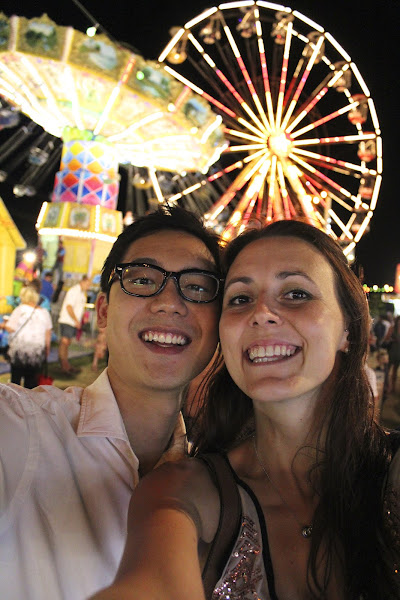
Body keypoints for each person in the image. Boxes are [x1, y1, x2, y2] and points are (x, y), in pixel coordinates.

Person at [92, 220, 400, 600]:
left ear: (348, 330)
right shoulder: (181, 492)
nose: (262, 313)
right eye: (240, 299)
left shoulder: (391, 474)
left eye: (296, 294)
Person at [0, 206, 221, 600]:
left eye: (198, 287)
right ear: (103, 311)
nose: (170, 302)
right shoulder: (21, 430)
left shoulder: (218, 480)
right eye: (142, 280)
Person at [5, 284, 52, 388]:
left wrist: (3, 325)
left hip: (19, 349)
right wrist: (47, 349)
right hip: (37, 350)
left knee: (15, 381)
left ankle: (15, 398)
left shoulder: (20, 309)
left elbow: (10, 327)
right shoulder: (44, 312)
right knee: (31, 381)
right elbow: (48, 332)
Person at [57, 275, 91, 374]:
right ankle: (64, 366)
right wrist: (76, 320)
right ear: (82, 282)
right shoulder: (74, 291)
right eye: (87, 284)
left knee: (67, 343)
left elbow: (80, 308)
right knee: (64, 342)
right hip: (67, 320)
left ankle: (65, 365)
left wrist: (83, 317)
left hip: (72, 322)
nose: (88, 287)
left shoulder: (82, 294)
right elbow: (69, 307)